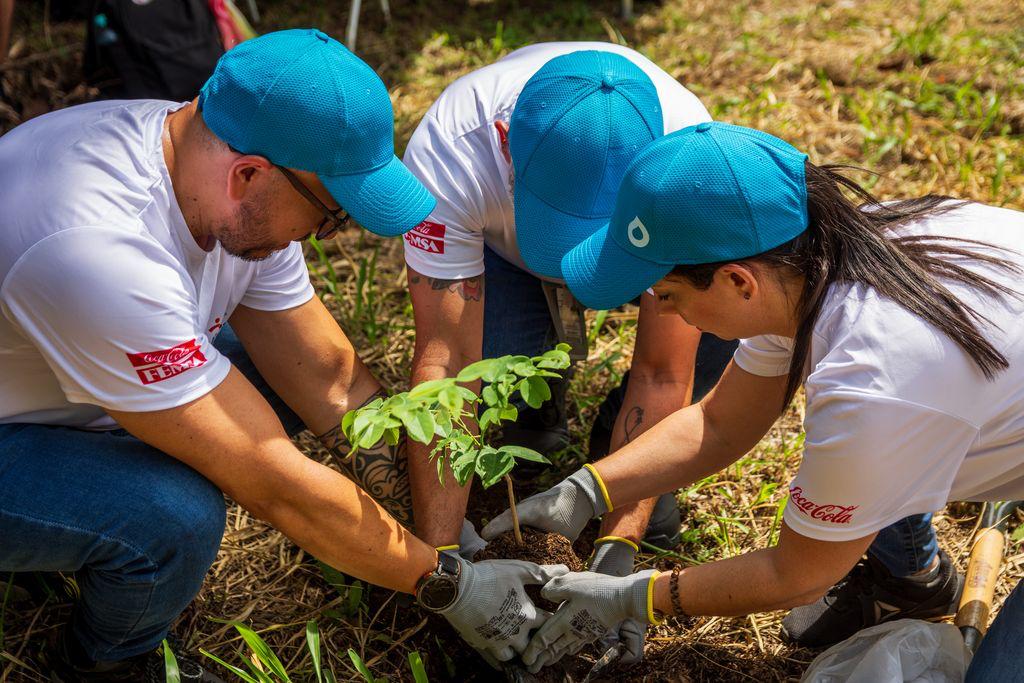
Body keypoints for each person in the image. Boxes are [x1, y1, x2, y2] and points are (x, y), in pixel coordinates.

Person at [0, 28, 566, 682]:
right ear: (250, 175)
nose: (325, 234)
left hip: (65, 378)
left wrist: (444, 532)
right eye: (329, 215)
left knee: (264, 384)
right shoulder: (97, 248)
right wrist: (448, 584)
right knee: (177, 516)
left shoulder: (214, 173)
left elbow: (330, 382)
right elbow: (271, 481)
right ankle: (110, 659)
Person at [481, 121, 1024, 676]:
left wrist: (638, 595)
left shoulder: (872, 384)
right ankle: (911, 581)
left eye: (667, 294)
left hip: (917, 403)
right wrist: (587, 491)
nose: (663, 311)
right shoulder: (808, 256)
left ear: (738, 282)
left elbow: (797, 573)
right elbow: (719, 424)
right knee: (865, 462)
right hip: (960, 400)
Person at [400, 43, 736, 662]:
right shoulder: (453, 149)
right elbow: (445, 365)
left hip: (649, 247)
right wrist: (444, 565)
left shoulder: (687, 165)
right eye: (554, 217)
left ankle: (616, 443)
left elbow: (663, 373)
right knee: (500, 377)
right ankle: (539, 413)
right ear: (504, 140)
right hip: (501, 261)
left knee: (725, 320)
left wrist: (621, 550)